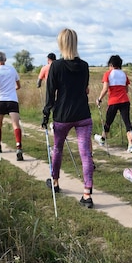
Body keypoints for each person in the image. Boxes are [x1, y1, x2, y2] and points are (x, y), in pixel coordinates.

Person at [42, 28, 94, 208]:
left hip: (62, 115)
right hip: (82, 114)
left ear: (61, 43)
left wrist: (46, 113)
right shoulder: (85, 66)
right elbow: (85, 89)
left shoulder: (55, 66)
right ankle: (87, 194)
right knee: (85, 153)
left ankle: (55, 181)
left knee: (57, 149)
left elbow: (50, 93)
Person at [94, 54, 132, 152]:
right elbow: (126, 90)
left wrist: (99, 99)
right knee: (127, 122)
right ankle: (131, 144)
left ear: (111, 64)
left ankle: (103, 139)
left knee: (108, 121)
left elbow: (105, 89)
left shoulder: (108, 74)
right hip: (125, 101)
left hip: (113, 101)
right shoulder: (124, 74)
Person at [0, 51, 23, 161]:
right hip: (12, 100)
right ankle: (18, 146)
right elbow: (18, 85)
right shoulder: (12, 70)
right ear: (5, 59)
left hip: (0, 101)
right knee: (16, 125)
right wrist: (12, 89)